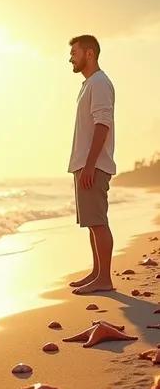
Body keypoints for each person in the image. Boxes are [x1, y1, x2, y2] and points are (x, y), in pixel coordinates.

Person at [67, 34, 116, 295]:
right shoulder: (88, 84)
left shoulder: (98, 83)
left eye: (74, 53)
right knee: (91, 222)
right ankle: (97, 273)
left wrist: (89, 164)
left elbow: (102, 124)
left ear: (89, 54)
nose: (70, 58)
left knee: (98, 221)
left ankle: (105, 278)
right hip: (86, 164)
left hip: (93, 166)